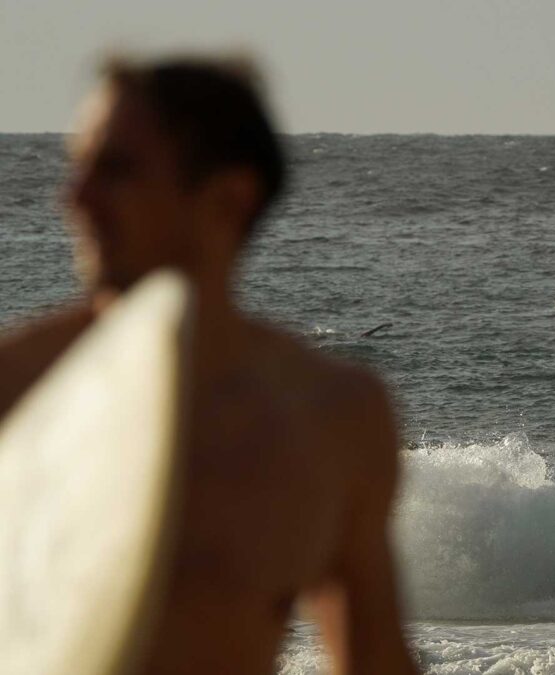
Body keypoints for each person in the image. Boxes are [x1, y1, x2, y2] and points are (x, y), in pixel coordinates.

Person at [0, 55, 417, 674]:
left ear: (228, 199)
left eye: (116, 170)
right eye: (79, 166)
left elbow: (375, 660)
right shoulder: (17, 388)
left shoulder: (334, 416)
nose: (75, 197)